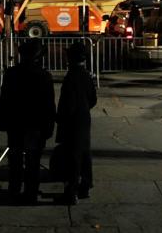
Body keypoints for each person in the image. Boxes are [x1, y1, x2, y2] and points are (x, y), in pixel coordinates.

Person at [0, 40, 55, 204]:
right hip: (35, 124)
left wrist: (3, 120)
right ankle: (31, 193)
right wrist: (49, 125)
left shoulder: (11, 73)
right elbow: (49, 104)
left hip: (16, 122)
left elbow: (5, 99)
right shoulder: (44, 75)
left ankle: (14, 190)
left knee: (15, 160)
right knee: (33, 162)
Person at [55, 41, 96, 205]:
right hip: (84, 119)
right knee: (85, 154)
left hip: (72, 122)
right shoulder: (86, 75)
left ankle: (71, 193)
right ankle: (85, 187)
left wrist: (61, 118)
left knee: (73, 157)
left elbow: (68, 103)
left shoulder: (71, 77)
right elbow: (93, 99)